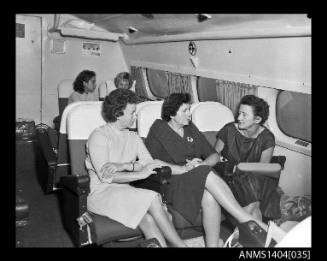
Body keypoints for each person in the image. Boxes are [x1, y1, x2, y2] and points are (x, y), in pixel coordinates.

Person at [145, 93, 268, 247]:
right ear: (171, 114)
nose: (190, 114)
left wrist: (201, 164)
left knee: (209, 195)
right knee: (204, 172)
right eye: (185, 111)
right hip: (172, 180)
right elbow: (150, 163)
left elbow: (214, 155)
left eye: (189, 109)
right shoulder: (159, 129)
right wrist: (184, 168)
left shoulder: (190, 128)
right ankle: (244, 218)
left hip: (195, 176)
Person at [85, 88, 186, 247]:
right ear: (118, 113)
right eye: (132, 112)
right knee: (152, 197)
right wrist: (140, 173)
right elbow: (106, 177)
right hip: (102, 193)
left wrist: (127, 165)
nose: (136, 116)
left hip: (124, 191)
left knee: (148, 220)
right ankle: (182, 246)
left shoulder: (133, 136)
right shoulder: (99, 136)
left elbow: (148, 162)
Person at [214, 95, 281, 221]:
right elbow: (214, 156)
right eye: (239, 113)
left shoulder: (267, 138)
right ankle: (250, 233)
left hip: (252, 180)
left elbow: (261, 170)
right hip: (230, 176)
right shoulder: (229, 130)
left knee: (257, 184)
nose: (238, 118)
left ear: (257, 119)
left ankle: (242, 232)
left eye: (244, 115)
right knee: (254, 204)